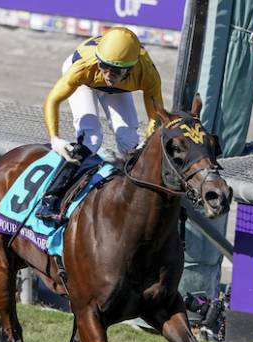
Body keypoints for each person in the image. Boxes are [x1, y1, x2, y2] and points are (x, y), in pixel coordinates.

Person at [36, 26, 165, 222]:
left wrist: (147, 141)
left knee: (130, 141)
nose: (108, 74)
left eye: (115, 70)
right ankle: (50, 199)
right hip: (85, 81)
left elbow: (156, 117)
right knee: (91, 137)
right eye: (104, 66)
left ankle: (134, 195)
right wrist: (54, 138)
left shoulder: (147, 73)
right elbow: (52, 100)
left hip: (119, 87)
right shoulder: (86, 66)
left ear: (131, 68)